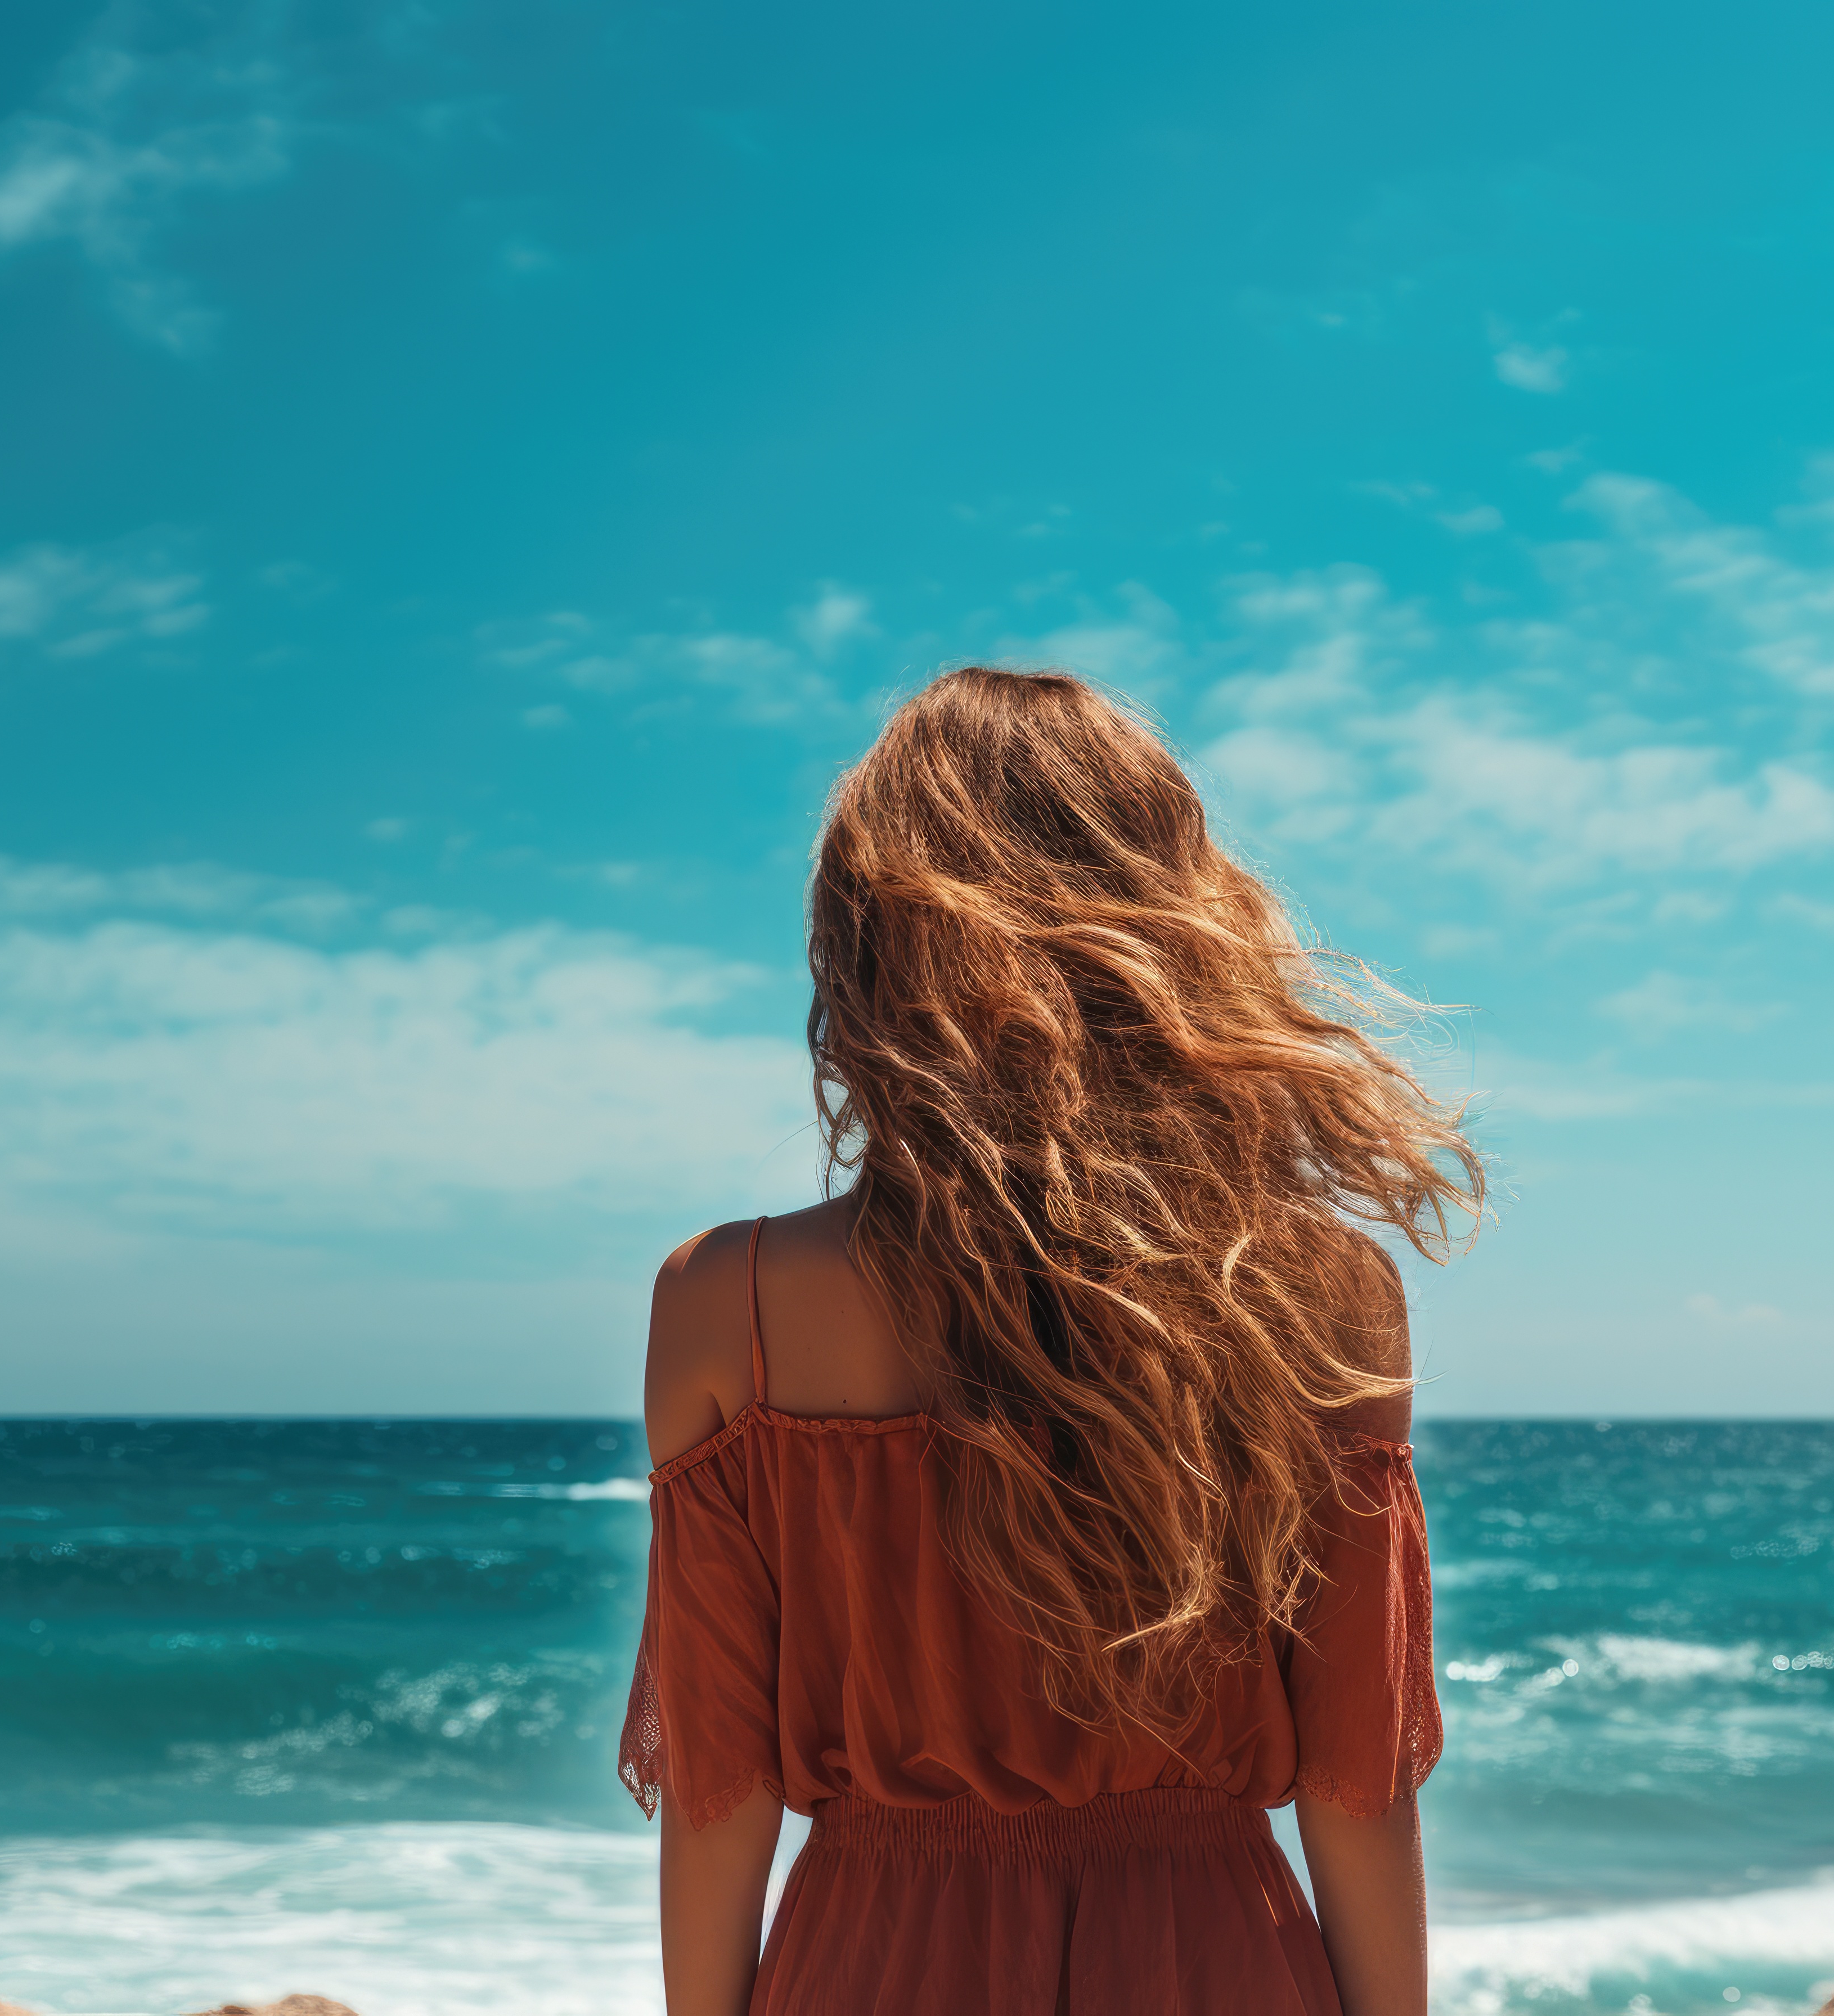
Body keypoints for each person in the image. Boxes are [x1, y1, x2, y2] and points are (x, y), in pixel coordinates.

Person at [620, 667, 1481, 2015]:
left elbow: (719, 1803)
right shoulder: (1316, 1292)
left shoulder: (726, 1307)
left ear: (867, 951)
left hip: (873, 1966)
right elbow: (1354, 1791)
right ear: (1183, 932)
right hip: (1215, 1964)